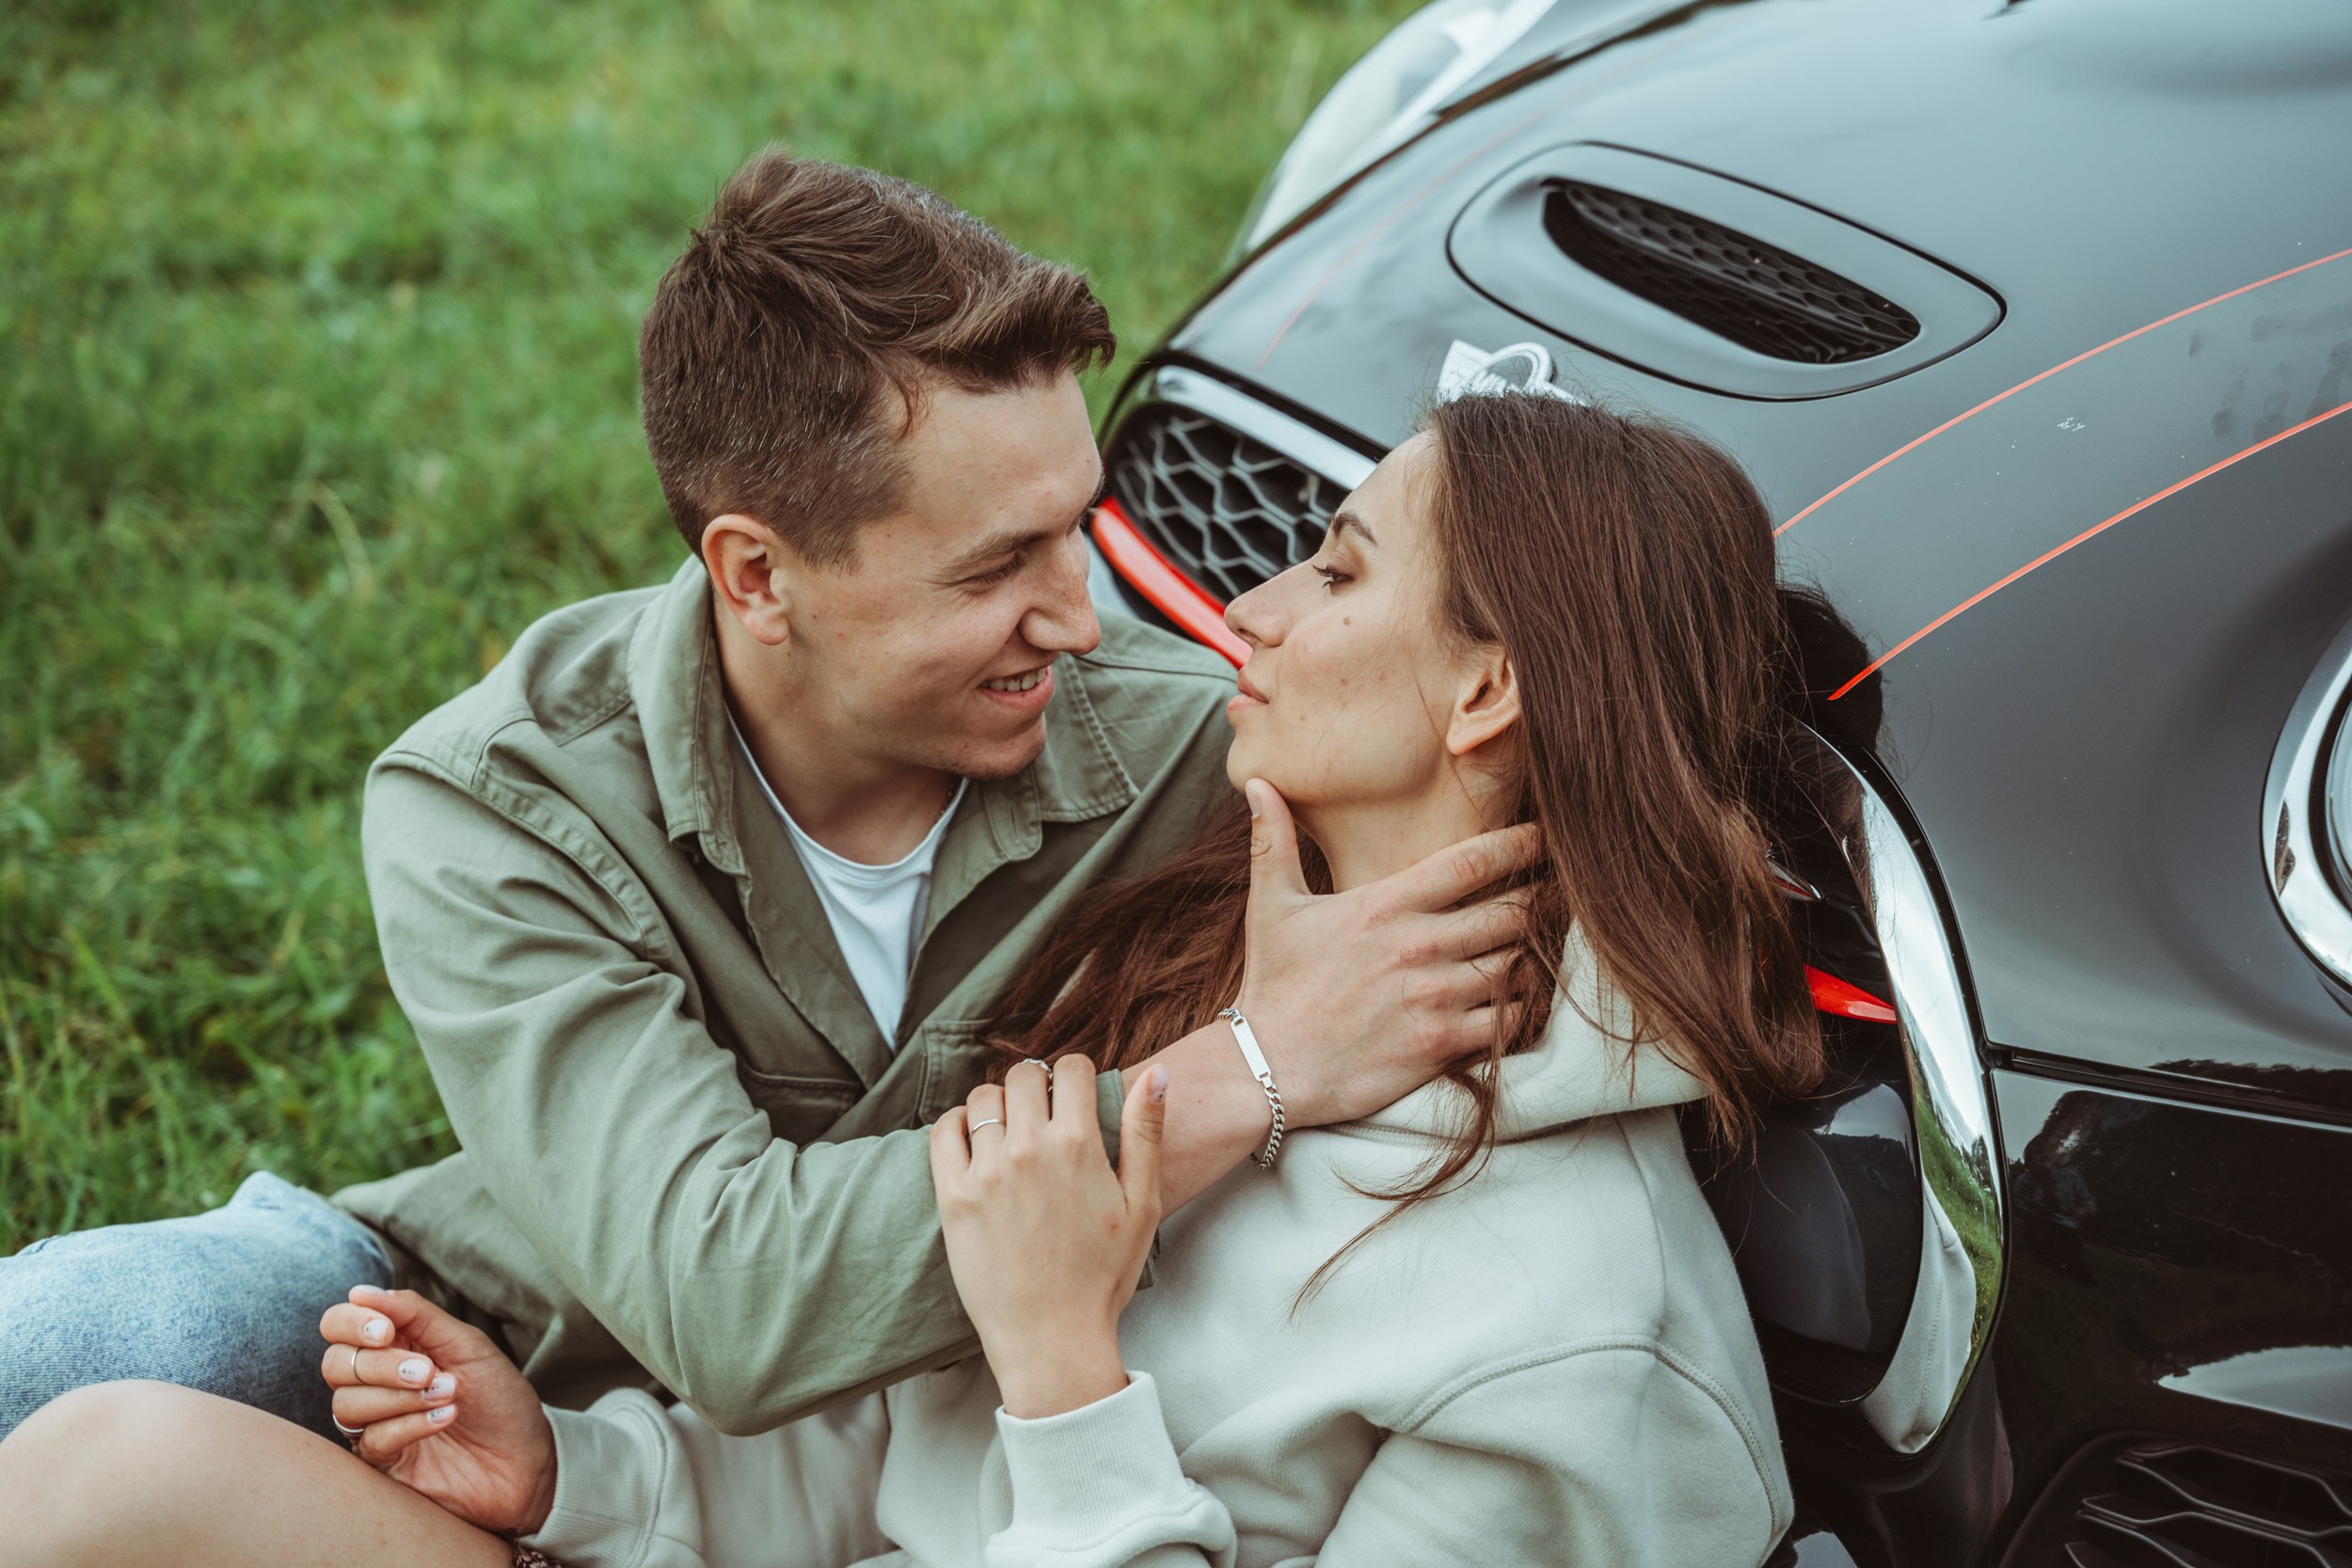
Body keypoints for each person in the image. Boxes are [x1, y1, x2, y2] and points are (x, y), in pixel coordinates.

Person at [1, 390, 1830, 1567]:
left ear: (1487, 693)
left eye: (1334, 573)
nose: (1241, 615)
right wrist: (575, 1479)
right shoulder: (1202, 974)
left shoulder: (1579, 1335)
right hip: (579, 1403)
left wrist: (1061, 1370)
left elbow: (993, 1411)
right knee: (101, 1458)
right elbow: (880, 1446)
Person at [0, 151, 1532, 1443]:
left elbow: (1566, 869)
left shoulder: (1207, 752)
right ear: (756, 575)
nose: (1080, 615)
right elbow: (717, 1301)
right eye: (997, 566)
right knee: (88, 1335)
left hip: (958, 1438)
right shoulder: (498, 802)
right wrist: (1252, 1067)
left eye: (1079, 528)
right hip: (498, 1358)